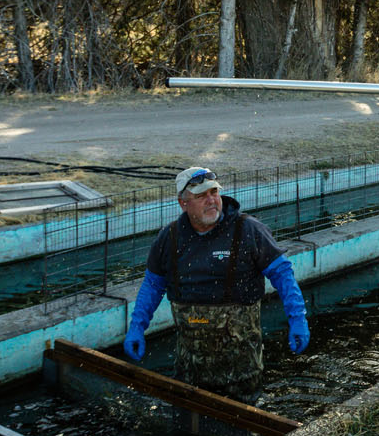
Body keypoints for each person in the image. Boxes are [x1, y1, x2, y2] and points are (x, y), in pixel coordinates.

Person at [122, 167, 310, 405]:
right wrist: (137, 326)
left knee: (242, 424)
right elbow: (152, 285)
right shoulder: (169, 238)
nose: (211, 200)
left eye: (214, 192)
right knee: (187, 424)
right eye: (201, 195)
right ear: (183, 203)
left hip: (242, 371)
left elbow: (283, 274)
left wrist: (298, 319)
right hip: (190, 368)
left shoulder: (248, 230)